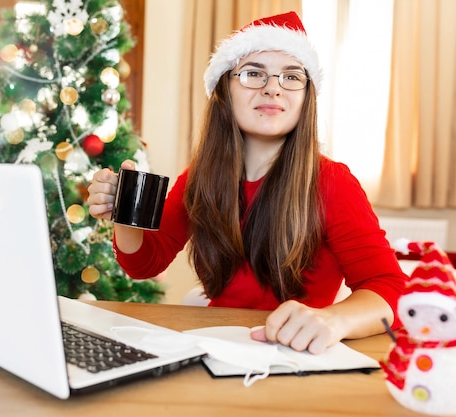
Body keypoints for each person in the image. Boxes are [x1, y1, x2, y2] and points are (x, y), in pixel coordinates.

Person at [87, 11, 405, 354]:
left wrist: (334, 320)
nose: (272, 87)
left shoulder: (332, 181)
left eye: (291, 76)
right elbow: (144, 263)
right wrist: (122, 214)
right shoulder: (200, 177)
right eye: (254, 73)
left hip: (295, 356)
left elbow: (390, 287)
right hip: (215, 346)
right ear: (225, 91)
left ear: (305, 98)